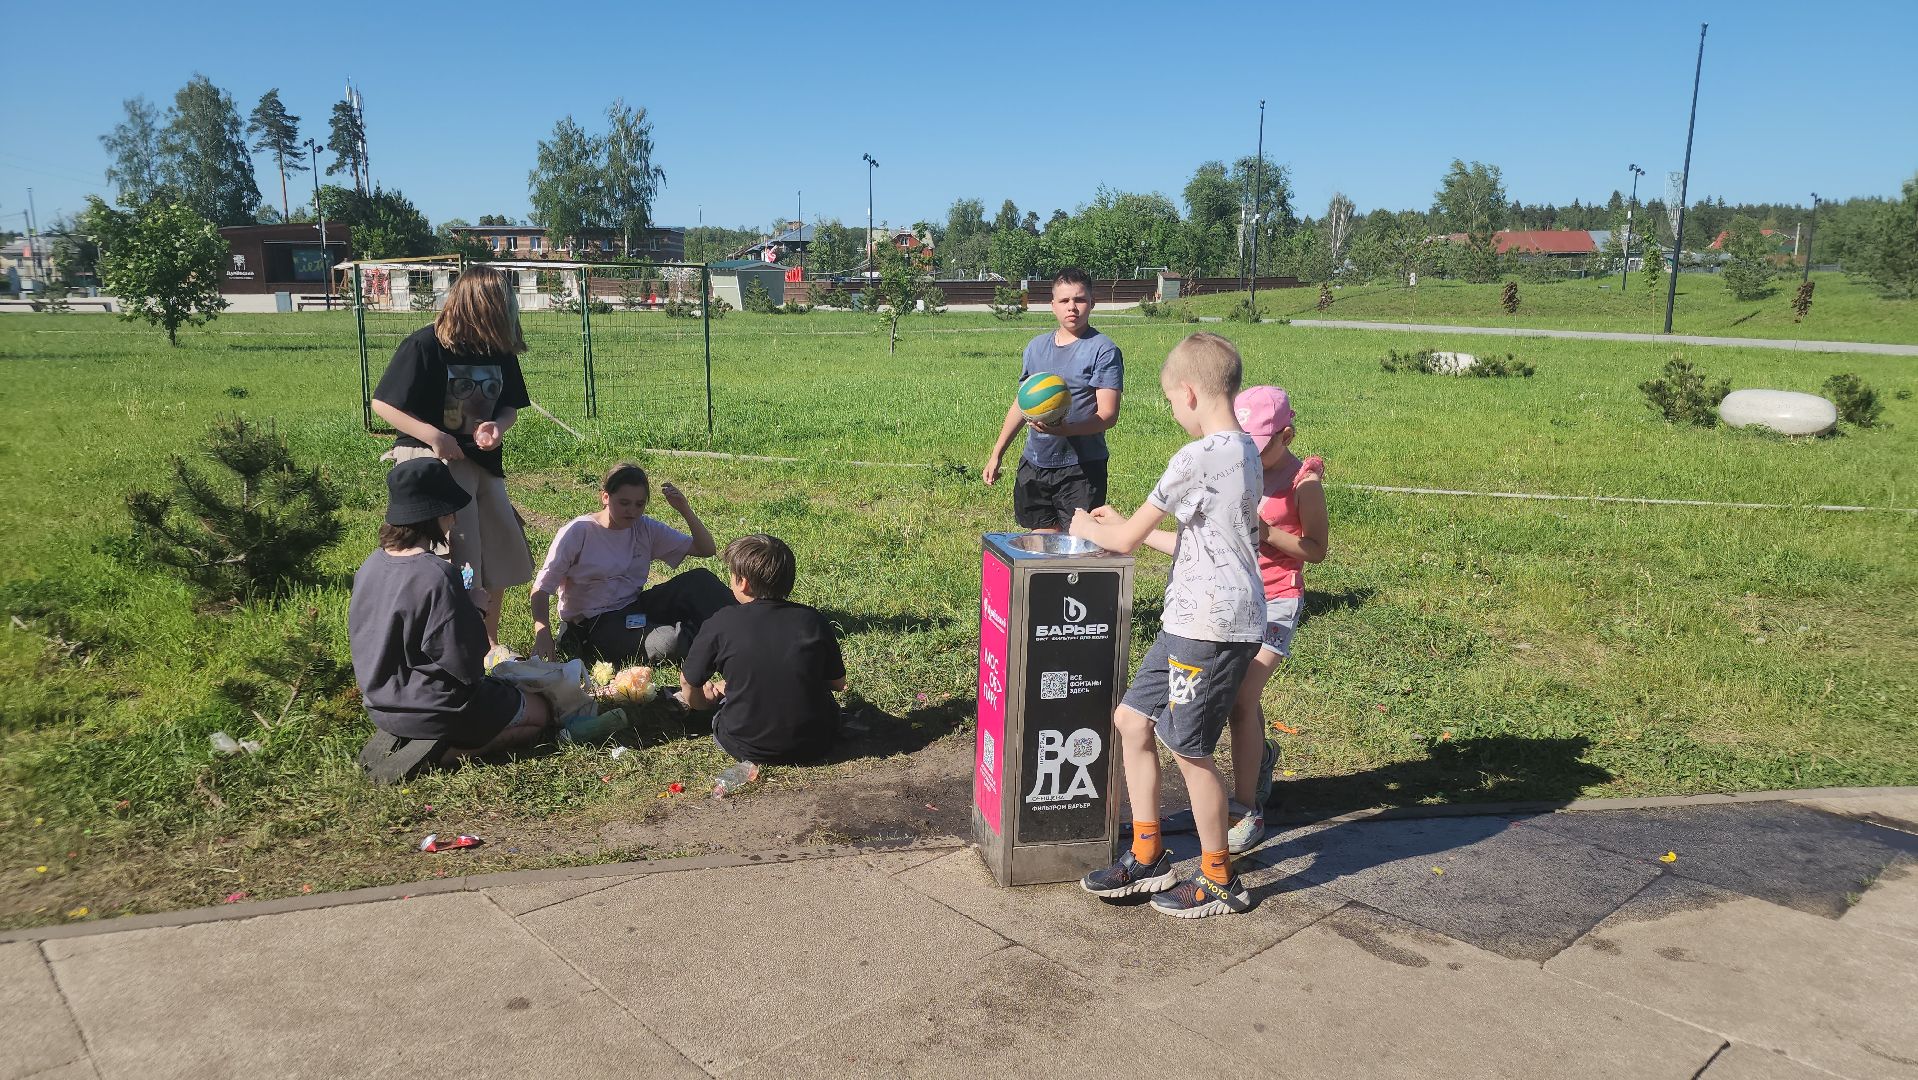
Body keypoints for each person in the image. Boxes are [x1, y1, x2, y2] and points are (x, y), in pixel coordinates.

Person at [1067, 332, 1265, 918]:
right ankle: (1149, 854)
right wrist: (1129, 524)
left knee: (1189, 746)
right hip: (1196, 618)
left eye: (1172, 403)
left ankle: (1217, 878)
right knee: (1131, 720)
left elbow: (1121, 542)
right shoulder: (1244, 449)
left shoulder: (1197, 456)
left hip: (1209, 627)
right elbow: (1197, 539)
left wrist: (1088, 526)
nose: (1175, 413)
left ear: (1188, 392)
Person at [350, 457, 553, 782]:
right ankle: (445, 754)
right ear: (438, 515)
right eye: (450, 511)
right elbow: (465, 665)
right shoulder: (438, 574)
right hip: (437, 707)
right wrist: (475, 608)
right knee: (540, 713)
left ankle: (409, 734)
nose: (455, 519)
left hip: (380, 701)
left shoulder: (370, 566)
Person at [370, 264, 534, 649]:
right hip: (435, 463)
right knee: (461, 555)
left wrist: (497, 428)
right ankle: (458, 644)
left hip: (482, 463)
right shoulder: (424, 345)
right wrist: (434, 437)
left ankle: (489, 646)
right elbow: (382, 404)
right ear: (478, 305)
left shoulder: (498, 349)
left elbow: (508, 406)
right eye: (502, 307)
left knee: (494, 554)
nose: (509, 316)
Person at [1221, 386, 1328, 852]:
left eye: (1260, 441)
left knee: (1242, 697)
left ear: (1287, 434)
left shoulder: (1303, 481)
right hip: (1235, 593)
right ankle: (1260, 755)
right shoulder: (1237, 464)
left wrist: (1269, 534)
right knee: (1238, 695)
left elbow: (1317, 550)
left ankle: (1246, 810)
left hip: (1279, 600)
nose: (1249, 448)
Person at [529, 463, 731, 665]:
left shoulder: (645, 527)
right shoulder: (579, 532)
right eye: (624, 503)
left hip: (634, 605)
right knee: (670, 642)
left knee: (700, 580)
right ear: (605, 497)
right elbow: (541, 588)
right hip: (596, 621)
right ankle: (715, 639)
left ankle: (740, 628)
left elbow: (706, 549)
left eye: (639, 504)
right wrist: (543, 632)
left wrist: (684, 509)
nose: (632, 511)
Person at [680, 534, 847, 766]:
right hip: (817, 742)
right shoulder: (812, 620)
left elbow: (688, 682)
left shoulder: (722, 622)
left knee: (723, 711)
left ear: (743, 582)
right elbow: (837, 684)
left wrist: (701, 703)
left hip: (744, 744)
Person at [982, 266, 1123, 533]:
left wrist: (1066, 430)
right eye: (1064, 300)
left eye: (1080, 299)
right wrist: (996, 454)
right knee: (1041, 546)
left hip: (1081, 469)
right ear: (1053, 306)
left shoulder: (1103, 350)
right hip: (1036, 463)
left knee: (1074, 550)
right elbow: (1021, 405)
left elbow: (1108, 415)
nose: (1072, 307)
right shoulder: (1036, 348)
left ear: (1092, 303)